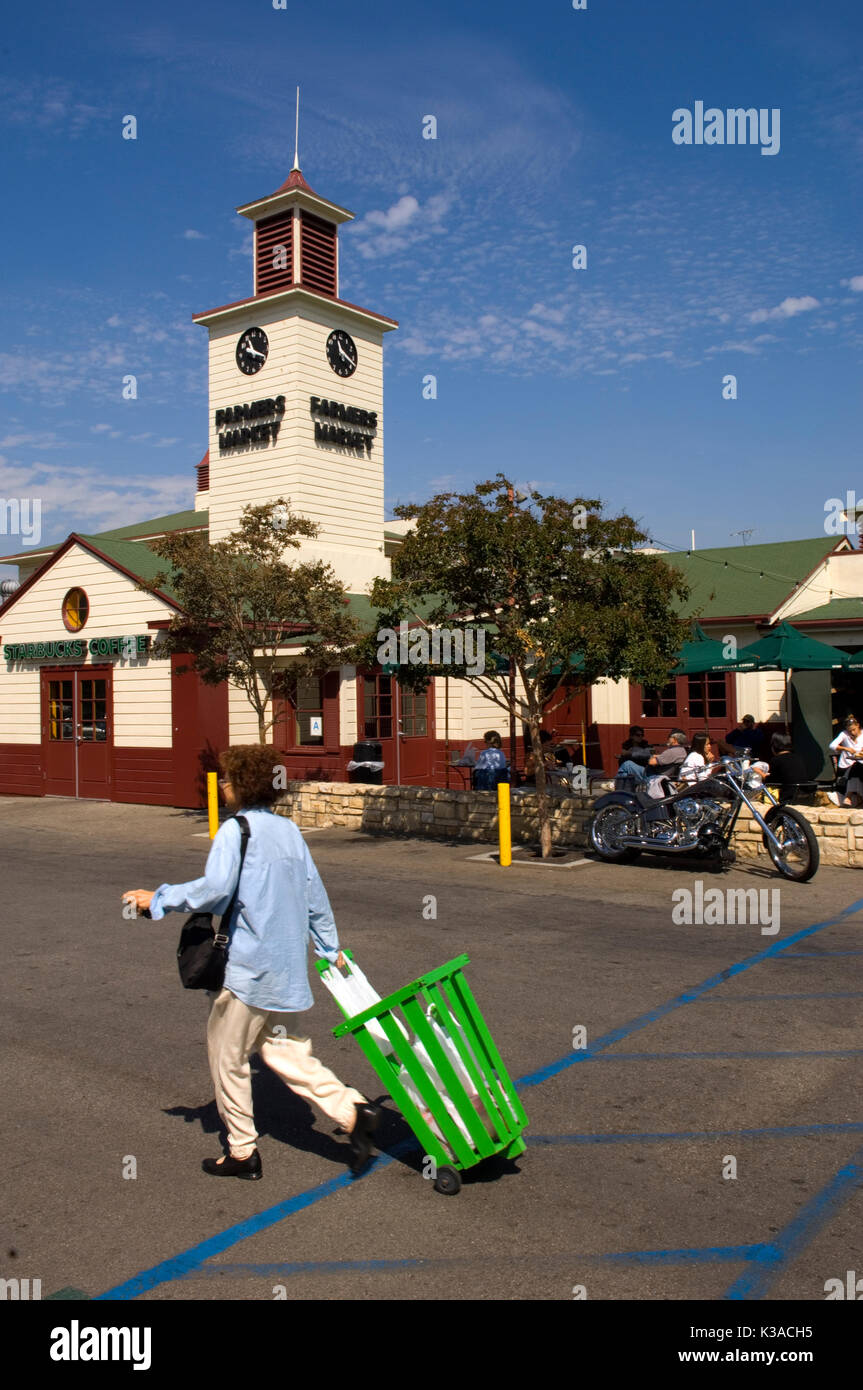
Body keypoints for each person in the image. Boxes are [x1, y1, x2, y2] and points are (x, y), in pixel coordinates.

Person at [122, 744, 381, 1181]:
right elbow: (314, 895)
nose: (222, 784)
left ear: (242, 785)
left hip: (247, 970)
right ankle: (353, 1112)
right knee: (285, 1050)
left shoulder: (235, 830)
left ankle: (242, 1151)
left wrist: (159, 898)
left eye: (226, 778)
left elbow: (216, 889)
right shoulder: (289, 831)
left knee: (228, 1058)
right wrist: (328, 945)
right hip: (285, 969)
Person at [618, 730, 688, 790]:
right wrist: (657, 756)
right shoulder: (682, 751)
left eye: (670, 737)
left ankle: (620, 793)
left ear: (674, 740)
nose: (668, 739)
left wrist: (653, 755)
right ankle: (626, 792)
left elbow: (651, 762)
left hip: (653, 776)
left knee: (627, 764)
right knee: (626, 774)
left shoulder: (671, 751)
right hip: (663, 775)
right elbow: (665, 758)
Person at [829, 715, 863, 807]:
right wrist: (846, 748)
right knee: (856, 768)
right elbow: (832, 746)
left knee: (856, 769)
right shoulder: (844, 734)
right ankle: (857, 798)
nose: (852, 732)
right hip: (846, 766)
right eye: (850, 730)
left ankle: (849, 796)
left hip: (859, 765)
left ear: (858, 726)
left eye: (854, 729)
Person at [767, 732, 808, 805]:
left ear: (774, 746)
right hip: (803, 794)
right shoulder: (798, 757)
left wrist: (761, 773)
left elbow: (771, 780)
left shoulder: (776, 760)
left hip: (787, 796)